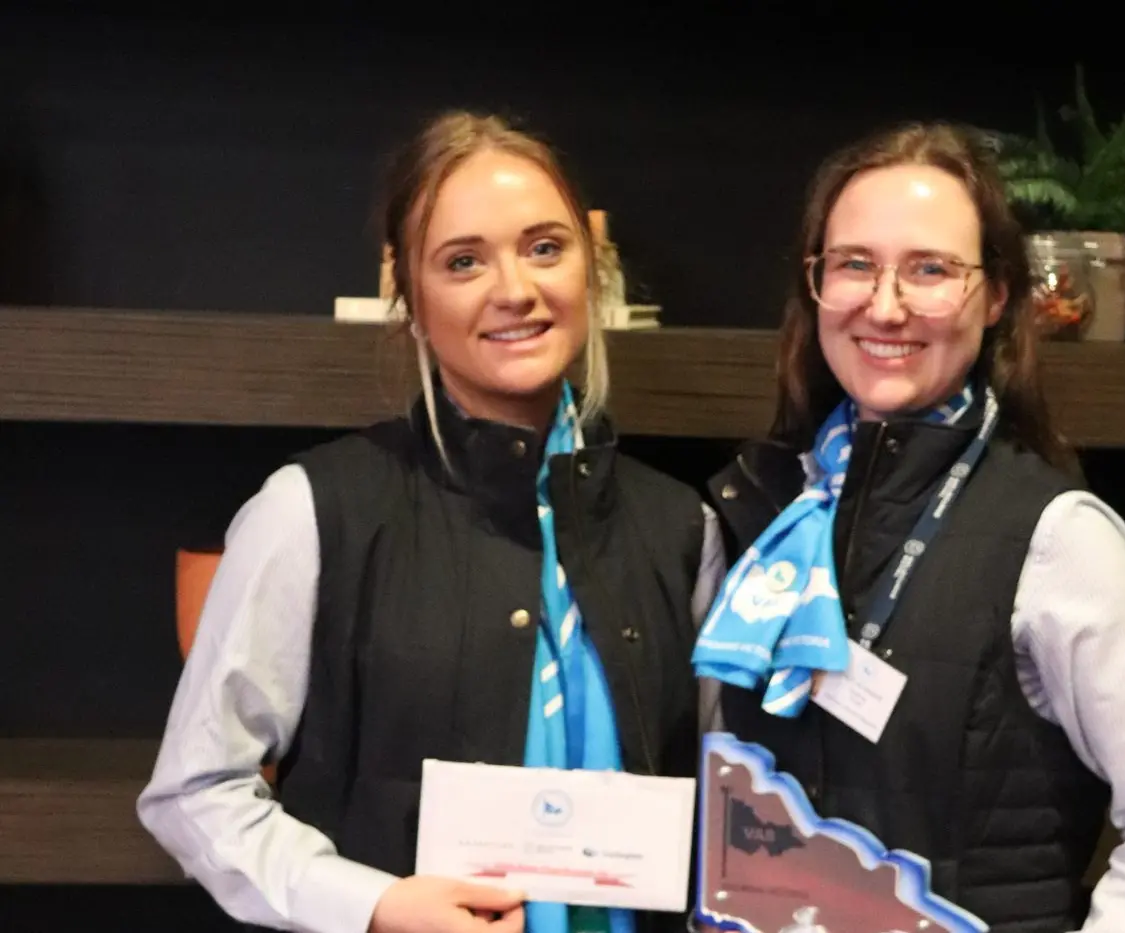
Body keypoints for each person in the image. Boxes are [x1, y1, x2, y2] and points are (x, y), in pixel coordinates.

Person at [138, 111, 724, 933]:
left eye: (545, 247)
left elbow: (724, 803)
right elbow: (194, 793)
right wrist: (374, 904)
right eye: (463, 261)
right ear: (410, 300)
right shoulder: (309, 512)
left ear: (593, 274)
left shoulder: (683, 529)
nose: (514, 288)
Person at [692, 123, 1125, 933]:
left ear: (996, 295)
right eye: (854, 264)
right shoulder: (752, 508)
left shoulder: (1058, 538)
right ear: (815, 285)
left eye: (931, 269)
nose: (886, 304)